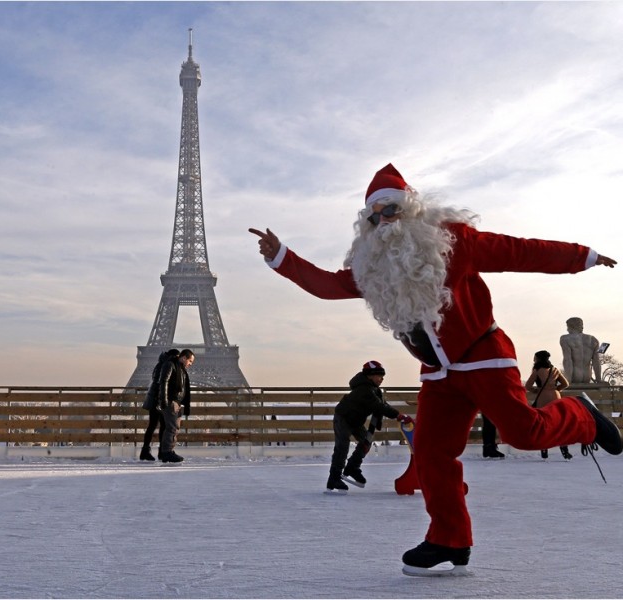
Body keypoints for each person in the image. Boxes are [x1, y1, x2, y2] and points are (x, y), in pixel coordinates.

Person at [249, 163, 621, 576]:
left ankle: (581, 415)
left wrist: (581, 256)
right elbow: (327, 285)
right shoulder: (372, 270)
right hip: (439, 374)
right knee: (430, 453)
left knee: (524, 434)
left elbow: (519, 251)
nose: (383, 222)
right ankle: (450, 538)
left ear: (411, 209)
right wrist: (281, 257)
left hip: (483, 355)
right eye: (374, 217)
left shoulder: (453, 242)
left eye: (389, 210)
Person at [326, 360, 413, 492]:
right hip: (343, 418)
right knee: (342, 446)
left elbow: (383, 404)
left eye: (383, 376)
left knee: (366, 441)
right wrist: (398, 415)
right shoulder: (364, 389)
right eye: (379, 376)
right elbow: (379, 406)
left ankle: (352, 467)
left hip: (356, 421)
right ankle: (334, 478)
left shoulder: (374, 390)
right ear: (370, 375)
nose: (382, 379)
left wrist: (399, 414)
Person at [524, 350, 571, 460]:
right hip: (556, 397)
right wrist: (556, 389)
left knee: (544, 425)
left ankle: (544, 451)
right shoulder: (555, 369)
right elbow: (566, 384)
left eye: (535, 358)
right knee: (559, 425)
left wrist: (537, 391)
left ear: (539, 359)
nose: (533, 359)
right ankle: (565, 451)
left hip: (543, 398)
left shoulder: (537, 370)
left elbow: (528, 386)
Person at [140, 349, 178, 461]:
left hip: (155, 399)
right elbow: (163, 383)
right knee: (163, 426)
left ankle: (146, 451)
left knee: (153, 426)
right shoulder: (167, 365)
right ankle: (161, 452)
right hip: (159, 400)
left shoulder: (161, 364)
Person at [158, 348, 194, 463]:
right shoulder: (170, 365)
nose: (190, 364)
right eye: (190, 361)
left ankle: (168, 451)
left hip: (177, 402)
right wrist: (164, 400)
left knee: (175, 428)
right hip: (171, 401)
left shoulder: (180, 369)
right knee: (172, 427)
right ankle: (167, 452)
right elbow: (164, 381)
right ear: (184, 358)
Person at [560, 317, 602, 384]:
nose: (567, 329)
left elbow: (568, 360)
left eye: (567, 327)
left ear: (571, 326)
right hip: (587, 376)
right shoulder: (593, 340)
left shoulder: (565, 339)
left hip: (575, 375)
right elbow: (596, 362)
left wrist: (568, 380)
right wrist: (599, 380)